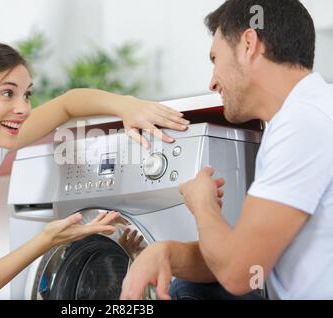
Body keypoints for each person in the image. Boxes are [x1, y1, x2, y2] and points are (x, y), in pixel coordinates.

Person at [0, 42, 189, 300]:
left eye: (26, 94)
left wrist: (126, 106)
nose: (24, 108)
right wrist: (44, 241)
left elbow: (66, 105)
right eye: (7, 93)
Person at [121, 0, 333, 300]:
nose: (212, 82)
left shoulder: (303, 124)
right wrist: (165, 252)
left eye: (214, 58)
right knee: (188, 286)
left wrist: (202, 204)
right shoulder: (300, 115)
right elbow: (248, 255)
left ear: (249, 44)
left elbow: (239, 272)